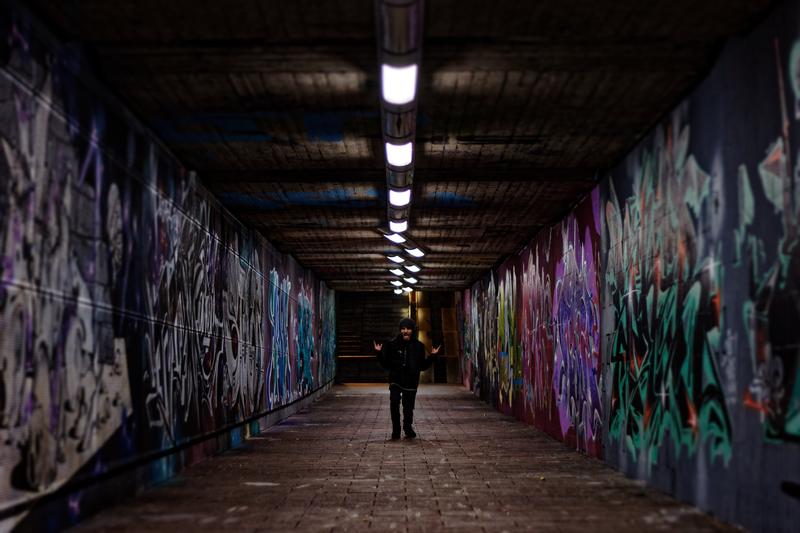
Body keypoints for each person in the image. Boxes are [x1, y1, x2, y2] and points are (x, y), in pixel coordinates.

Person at [373, 317, 440, 439]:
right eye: (403, 328)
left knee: (408, 406)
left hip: (411, 381)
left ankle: (407, 428)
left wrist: (432, 357)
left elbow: (422, 366)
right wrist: (378, 354)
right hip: (395, 380)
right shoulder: (391, 345)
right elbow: (386, 365)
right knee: (394, 403)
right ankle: (396, 430)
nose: (405, 331)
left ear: (413, 330)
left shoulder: (419, 346)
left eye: (408, 328)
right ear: (400, 330)